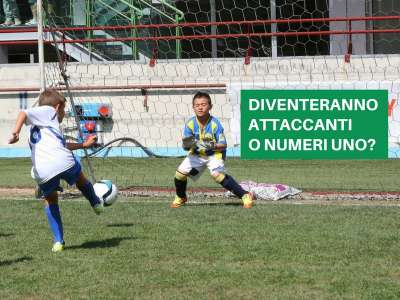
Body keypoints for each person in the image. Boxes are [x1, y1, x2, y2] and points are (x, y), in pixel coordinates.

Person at [8, 89, 105, 252]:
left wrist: (83, 145)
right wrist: (15, 132)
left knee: (51, 200)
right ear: (57, 107)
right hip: (63, 161)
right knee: (80, 178)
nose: (63, 114)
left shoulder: (38, 128)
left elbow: (62, 146)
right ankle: (96, 203)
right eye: (63, 110)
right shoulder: (49, 112)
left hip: (43, 171)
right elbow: (23, 112)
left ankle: (58, 242)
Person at [171, 91, 255, 209]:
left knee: (217, 175)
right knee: (179, 175)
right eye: (197, 105)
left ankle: (245, 195)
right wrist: (187, 145)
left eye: (204, 104)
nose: (200, 107)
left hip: (214, 155)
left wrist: (210, 146)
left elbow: (223, 144)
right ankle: (181, 197)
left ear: (210, 106)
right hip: (197, 155)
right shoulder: (190, 123)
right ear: (193, 107)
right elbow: (186, 143)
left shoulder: (215, 124)